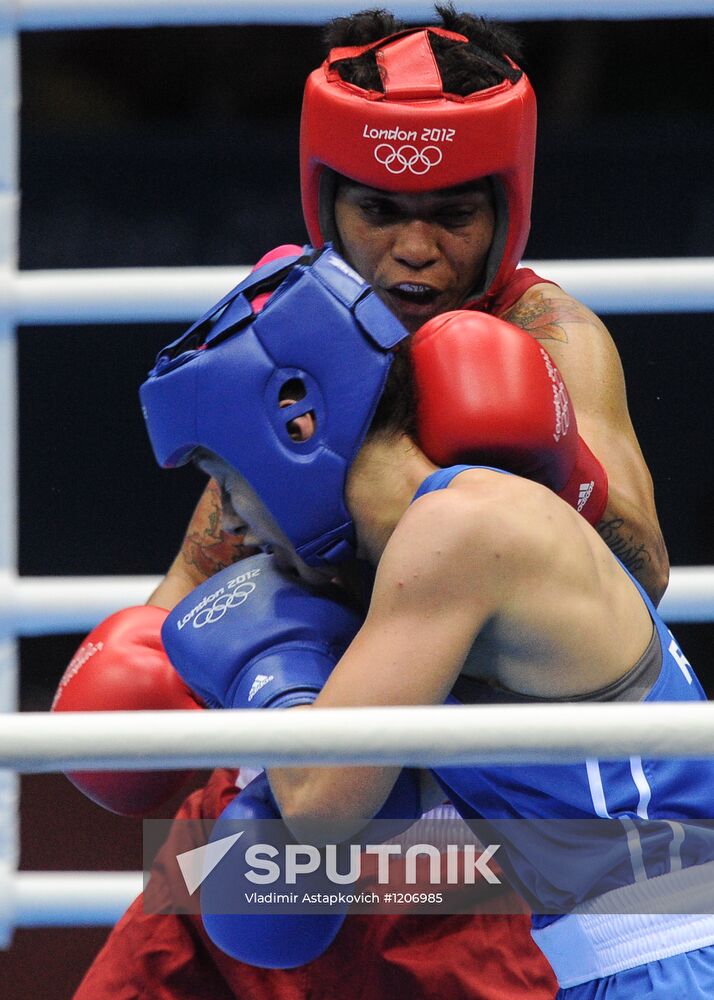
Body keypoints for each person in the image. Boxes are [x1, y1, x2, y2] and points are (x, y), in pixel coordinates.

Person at [59, 6, 667, 997]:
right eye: (379, 212)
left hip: (464, 821)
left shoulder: (547, 333)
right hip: (283, 790)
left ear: (503, 212)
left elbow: (644, 565)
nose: (414, 249)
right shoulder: (285, 357)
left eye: (451, 215)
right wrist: (144, 675)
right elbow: (186, 592)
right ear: (327, 203)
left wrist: (540, 460)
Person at [142, 248, 714, 998]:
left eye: (228, 483)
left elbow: (317, 806)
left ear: (297, 428)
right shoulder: (442, 546)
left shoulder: (457, 532)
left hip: (672, 951)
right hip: (629, 957)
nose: (239, 526)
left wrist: (273, 674)